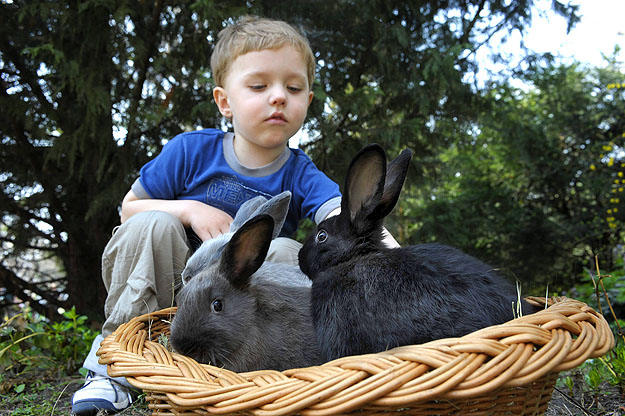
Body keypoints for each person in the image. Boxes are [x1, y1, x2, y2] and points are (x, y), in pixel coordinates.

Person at [71, 15, 398, 415]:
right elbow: (128, 207)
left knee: (282, 249)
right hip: (176, 293)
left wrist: (396, 265)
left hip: (243, 317)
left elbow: (347, 216)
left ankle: (273, 381)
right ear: (225, 101)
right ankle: (114, 366)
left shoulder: (300, 171)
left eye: (293, 88)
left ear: (307, 102)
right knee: (150, 224)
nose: (278, 96)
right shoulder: (189, 150)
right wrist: (189, 210)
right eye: (259, 86)